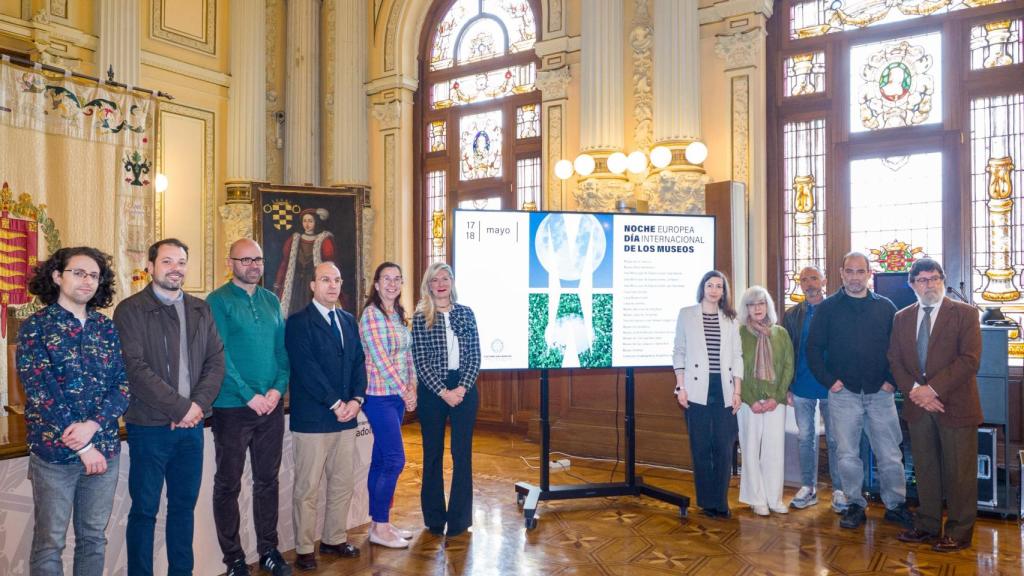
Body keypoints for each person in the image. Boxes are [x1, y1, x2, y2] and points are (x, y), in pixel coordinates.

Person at [113, 238, 225, 576]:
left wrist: (197, 407)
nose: (175, 268)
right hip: (149, 427)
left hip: (191, 429)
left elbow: (216, 361)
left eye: (181, 261)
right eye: (167, 261)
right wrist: (180, 408)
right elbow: (134, 368)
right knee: (144, 511)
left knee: (182, 509)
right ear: (150, 267)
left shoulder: (200, 308)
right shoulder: (130, 310)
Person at [18, 247, 129, 575]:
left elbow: (123, 385)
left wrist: (93, 428)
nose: (87, 281)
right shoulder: (35, 327)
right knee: (50, 542)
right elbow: (41, 392)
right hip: (54, 456)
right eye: (78, 272)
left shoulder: (105, 328)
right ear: (57, 276)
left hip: (104, 453)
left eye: (94, 275)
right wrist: (81, 445)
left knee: (94, 537)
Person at [806, 251, 912, 530]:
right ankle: (854, 504)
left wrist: (892, 381)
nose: (854, 277)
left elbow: (900, 349)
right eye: (849, 271)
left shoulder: (886, 307)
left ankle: (896, 505)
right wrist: (830, 381)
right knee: (847, 454)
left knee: (890, 453)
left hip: (881, 393)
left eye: (860, 271)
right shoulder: (828, 308)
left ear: (869, 274)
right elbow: (813, 349)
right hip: (844, 395)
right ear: (841, 273)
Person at [207, 239, 292, 576]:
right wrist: (248, 395)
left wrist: (276, 390)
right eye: (245, 260)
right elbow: (219, 353)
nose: (254, 265)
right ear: (231, 263)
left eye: (258, 258)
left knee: (267, 481)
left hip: (270, 407)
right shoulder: (217, 301)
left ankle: (269, 550)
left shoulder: (271, 300)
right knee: (228, 484)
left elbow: (282, 352)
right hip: (232, 407)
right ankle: (235, 559)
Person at [889, 259, 982, 552]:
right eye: (922, 280)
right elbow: (895, 359)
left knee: (959, 472)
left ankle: (959, 530)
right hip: (919, 406)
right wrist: (917, 391)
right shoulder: (902, 317)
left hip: (954, 404)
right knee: (925, 468)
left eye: (934, 278)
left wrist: (933, 389)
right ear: (912, 285)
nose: (928, 285)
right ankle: (928, 525)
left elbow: (969, 360)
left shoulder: (965, 314)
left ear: (943, 279)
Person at [285, 262, 367, 571]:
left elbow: (359, 361)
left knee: (342, 483)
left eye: (336, 280)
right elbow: (307, 369)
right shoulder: (297, 323)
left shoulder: (348, 320)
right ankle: (305, 548)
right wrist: (336, 403)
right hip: (313, 419)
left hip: (347, 417)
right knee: (307, 488)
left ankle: (334, 538)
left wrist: (357, 399)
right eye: (325, 280)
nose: (332, 285)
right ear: (313, 285)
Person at [412, 262, 481, 538]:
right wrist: (443, 392)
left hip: (464, 388)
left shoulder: (466, 313)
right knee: (432, 455)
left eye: (445, 278)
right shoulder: (420, 317)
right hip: (433, 392)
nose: (440, 283)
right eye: (435, 279)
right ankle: (434, 518)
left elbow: (475, 355)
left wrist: (461, 388)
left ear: (452, 282)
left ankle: (460, 520)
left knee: (462, 455)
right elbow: (421, 361)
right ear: (428, 285)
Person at [673, 270, 743, 519]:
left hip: (723, 388)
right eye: (710, 285)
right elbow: (679, 352)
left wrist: (737, 391)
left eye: (719, 286)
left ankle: (721, 502)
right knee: (701, 447)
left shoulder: (731, 319)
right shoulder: (687, 314)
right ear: (702, 288)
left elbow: (737, 357)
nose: (714, 290)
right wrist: (680, 386)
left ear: (724, 292)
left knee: (724, 448)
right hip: (695, 389)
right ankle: (706, 501)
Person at [359, 262, 418, 548]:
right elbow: (381, 360)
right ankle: (380, 527)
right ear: (377, 284)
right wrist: (403, 391)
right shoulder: (371, 315)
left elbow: (408, 355)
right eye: (387, 279)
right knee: (395, 460)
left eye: (397, 278)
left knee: (381, 460)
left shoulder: (397, 315)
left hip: (397, 395)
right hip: (379, 396)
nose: (392, 284)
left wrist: (412, 387)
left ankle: (379, 523)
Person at [782, 266, 843, 511]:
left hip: (833, 387)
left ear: (824, 280)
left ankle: (840, 490)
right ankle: (808, 488)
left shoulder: (836, 310)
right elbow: (787, 353)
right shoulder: (792, 314)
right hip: (801, 387)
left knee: (835, 440)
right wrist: (787, 385)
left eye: (814, 278)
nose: (809, 283)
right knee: (805, 438)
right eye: (804, 279)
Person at [737, 286, 794, 516]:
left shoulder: (781, 333)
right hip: (748, 402)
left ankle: (774, 498)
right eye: (752, 305)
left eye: (761, 303)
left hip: (775, 402)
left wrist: (777, 397)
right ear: (746, 309)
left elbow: (788, 366)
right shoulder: (739, 333)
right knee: (750, 449)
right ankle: (756, 498)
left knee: (774, 450)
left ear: (767, 306)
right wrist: (751, 400)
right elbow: (736, 368)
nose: (757, 308)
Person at [274, 208, 336, 317]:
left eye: (310, 221)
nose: (307, 224)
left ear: (316, 222)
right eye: (305, 221)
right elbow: (285, 263)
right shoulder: (294, 239)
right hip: (296, 283)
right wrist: (278, 282)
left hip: (313, 283)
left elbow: (330, 266)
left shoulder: (323, 240)